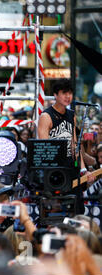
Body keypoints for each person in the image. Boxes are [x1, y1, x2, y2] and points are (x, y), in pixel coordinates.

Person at [37, 80, 94, 213]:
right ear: (55, 95)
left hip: (71, 167)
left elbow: (75, 145)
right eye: (64, 93)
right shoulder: (46, 116)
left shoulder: (71, 115)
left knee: (77, 209)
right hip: (54, 171)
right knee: (56, 211)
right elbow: (44, 147)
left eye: (70, 93)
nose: (68, 96)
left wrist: (83, 169)